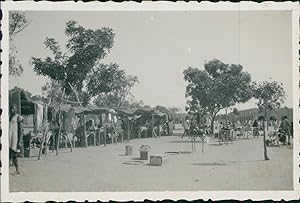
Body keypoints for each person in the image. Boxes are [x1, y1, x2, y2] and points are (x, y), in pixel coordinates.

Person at [9, 105, 24, 174]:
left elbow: (20, 130)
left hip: (15, 138)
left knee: (14, 154)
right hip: (9, 138)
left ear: (16, 109)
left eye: (13, 109)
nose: (12, 110)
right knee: (9, 153)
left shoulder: (19, 117)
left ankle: (17, 169)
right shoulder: (9, 117)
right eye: (11, 109)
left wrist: (20, 141)